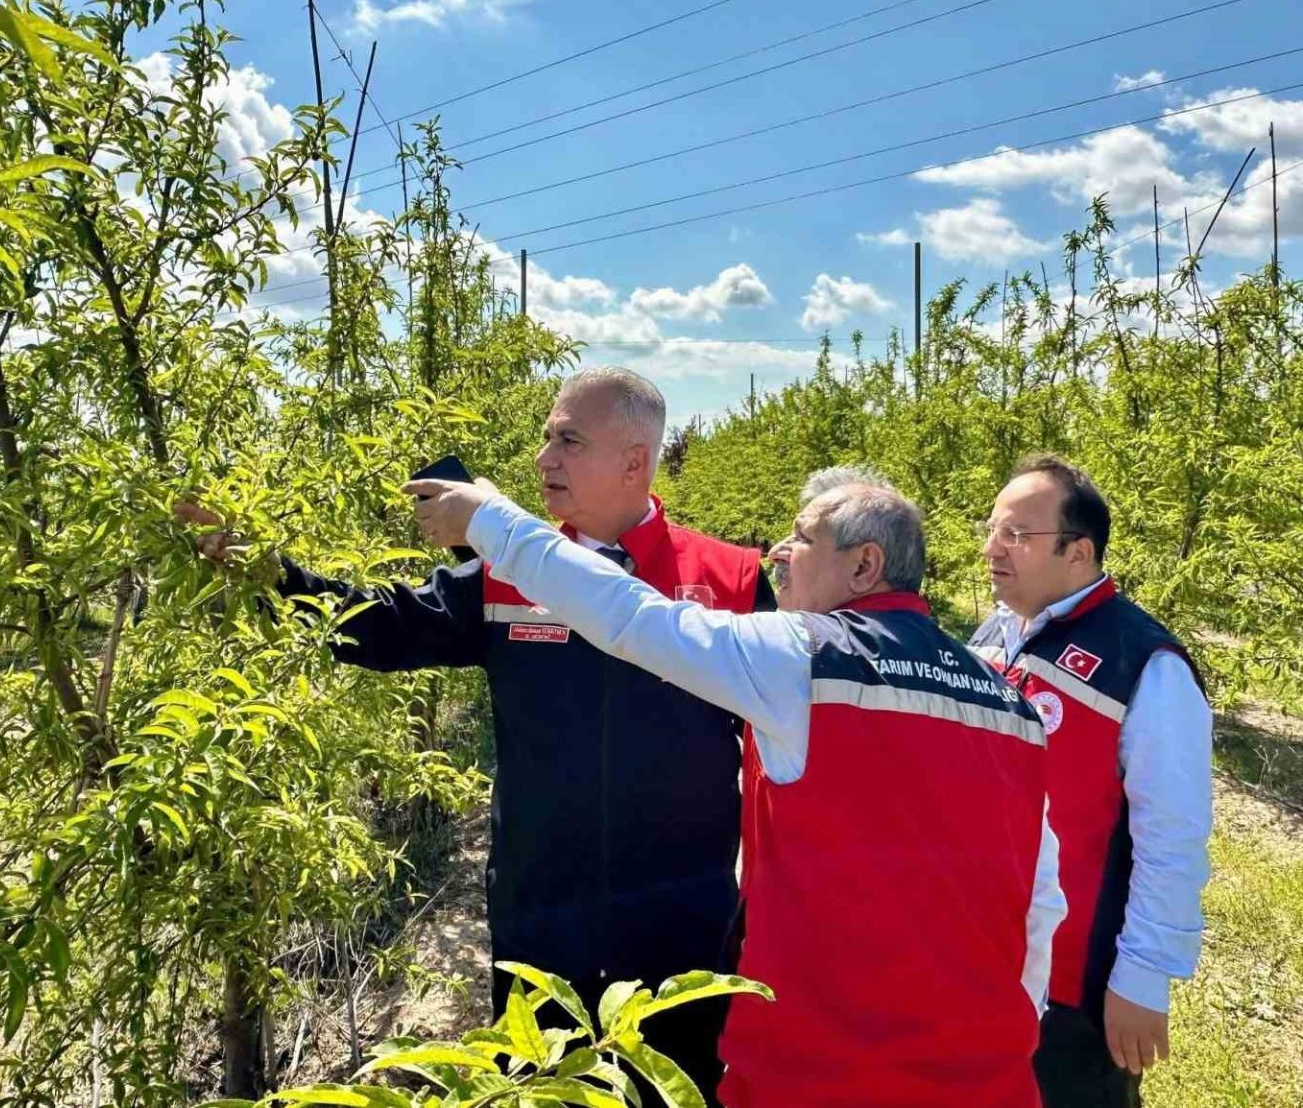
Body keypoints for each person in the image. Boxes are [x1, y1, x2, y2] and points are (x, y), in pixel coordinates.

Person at [178, 367, 774, 1104]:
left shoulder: (732, 581)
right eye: (546, 437)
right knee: (540, 1091)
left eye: (568, 440)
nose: (543, 458)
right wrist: (269, 573)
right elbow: (377, 626)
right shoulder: (506, 575)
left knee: (672, 1092)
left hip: (681, 929)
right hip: (542, 923)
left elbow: (784, 750)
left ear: (634, 461)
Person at [407, 465, 1066, 1108]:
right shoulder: (1007, 702)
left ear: (865, 566)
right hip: (987, 1075)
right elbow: (1041, 906)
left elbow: (629, 616)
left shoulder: (804, 658)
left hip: (820, 1072)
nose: (778, 552)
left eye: (803, 537)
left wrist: (491, 521)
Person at [968, 455, 1212, 1108]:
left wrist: (1144, 977)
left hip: (1074, 983)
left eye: (1016, 534)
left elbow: (1173, 838)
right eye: (991, 530)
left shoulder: (1146, 663)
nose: (992, 549)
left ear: (1078, 552)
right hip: (983, 951)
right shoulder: (993, 634)